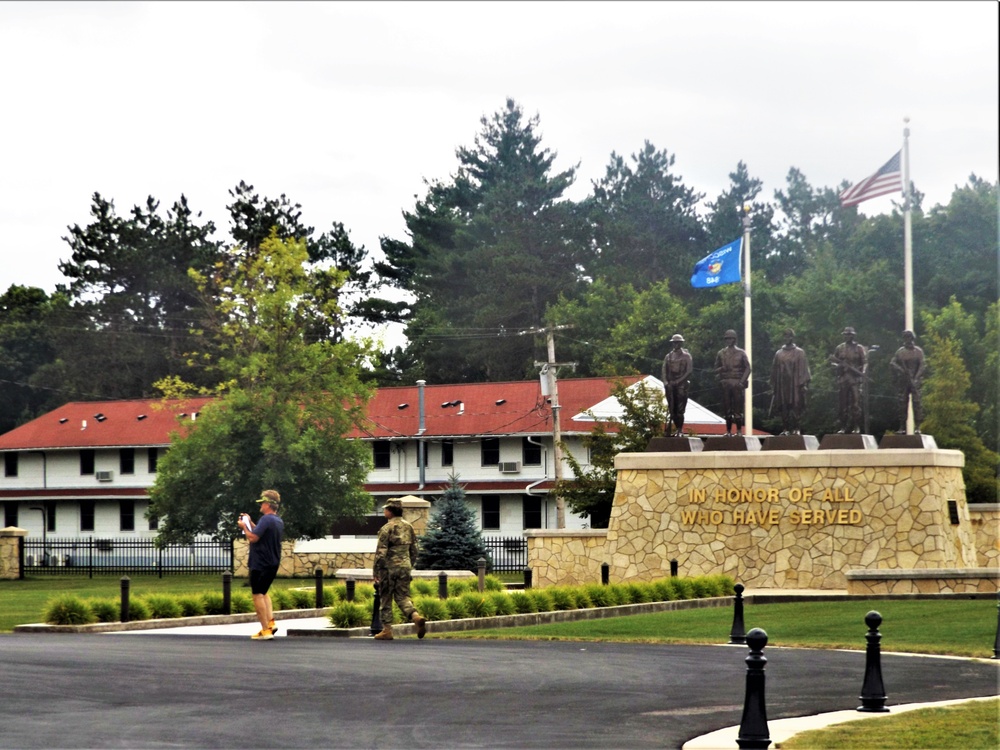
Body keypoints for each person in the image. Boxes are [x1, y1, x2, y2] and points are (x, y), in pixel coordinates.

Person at [372, 497, 426, 641]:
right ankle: (416, 617)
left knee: (386, 598)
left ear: (390, 511)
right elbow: (415, 549)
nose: (384, 511)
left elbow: (381, 552)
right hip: (405, 566)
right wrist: (409, 564)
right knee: (403, 596)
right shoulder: (409, 527)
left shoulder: (386, 528)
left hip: (389, 568)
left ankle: (387, 630)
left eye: (385, 509)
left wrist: (376, 571)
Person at [237, 489, 284, 641]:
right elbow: (259, 531)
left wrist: (243, 527)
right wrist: (249, 522)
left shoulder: (266, 519)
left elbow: (253, 538)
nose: (260, 506)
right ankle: (271, 623)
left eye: (262, 503)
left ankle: (265, 630)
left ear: (268, 504)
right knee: (264, 592)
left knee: (257, 594)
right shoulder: (276, 520)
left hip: (260, 563)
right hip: (272, 563)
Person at [770, 328, 811, 435]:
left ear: (792, 337)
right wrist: (774, 385)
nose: (787, 338)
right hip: (782, 385)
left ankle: (797, 428)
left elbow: (804, 369)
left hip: (796, 384)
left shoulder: (799, 352)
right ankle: (785, 429)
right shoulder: (779, 353)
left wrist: (804, 384)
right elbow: (774, 370)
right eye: (785, 336)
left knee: (796, 406)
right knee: (784, 407)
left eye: (789, 336)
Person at [830, 326, 867, 434]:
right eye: (846, 334)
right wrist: (838, 366)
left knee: (856, 404)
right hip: (843, 378)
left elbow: (864, 362)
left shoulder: (859, 348)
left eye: (849, 334)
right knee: (843, 405)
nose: (847, 336)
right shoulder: (839, 348)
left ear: (853, 335)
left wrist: (863, 372)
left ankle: (856, 426)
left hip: (855, 379)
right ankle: (843, 427)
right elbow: (833, 362)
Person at [714, 329, 751, 436]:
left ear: (735, 339)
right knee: (727, 408)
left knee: (738, 408)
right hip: (725, 383)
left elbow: (748, 368)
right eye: (727, 339)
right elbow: (715, 369)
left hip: (737, 383)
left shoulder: (741, 352)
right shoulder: (721, 353)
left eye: (731, 338)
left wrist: (742, 382)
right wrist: (721, 369)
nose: (729, 340)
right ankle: (728, 431)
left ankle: (739, 431)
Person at [889, 329, 925, 434]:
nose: (907, 340)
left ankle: (918, 426)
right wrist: (900, 370)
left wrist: (916, 377)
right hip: (903, 381)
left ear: (912, 338)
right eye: (905, 338)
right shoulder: (900, 351)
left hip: (915, 380)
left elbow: (923, 365)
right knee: (902, 403)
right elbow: (892, 363)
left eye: (909, 337)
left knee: (917, 403)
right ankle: (902, 427)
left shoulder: (918, 351)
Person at [661, 333, 693, 436]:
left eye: (678, 343)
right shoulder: (668, 356)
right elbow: (664, 371)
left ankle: (679, 429)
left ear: (681, 343)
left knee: (680, 410)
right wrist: (666, 383)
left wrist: (678, 381)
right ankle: (675, 428)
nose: (676, 345)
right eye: (674, 343)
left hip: (681, 385)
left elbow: (689, 371)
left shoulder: (686, 356)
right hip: (670, 385)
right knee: (672, 409)